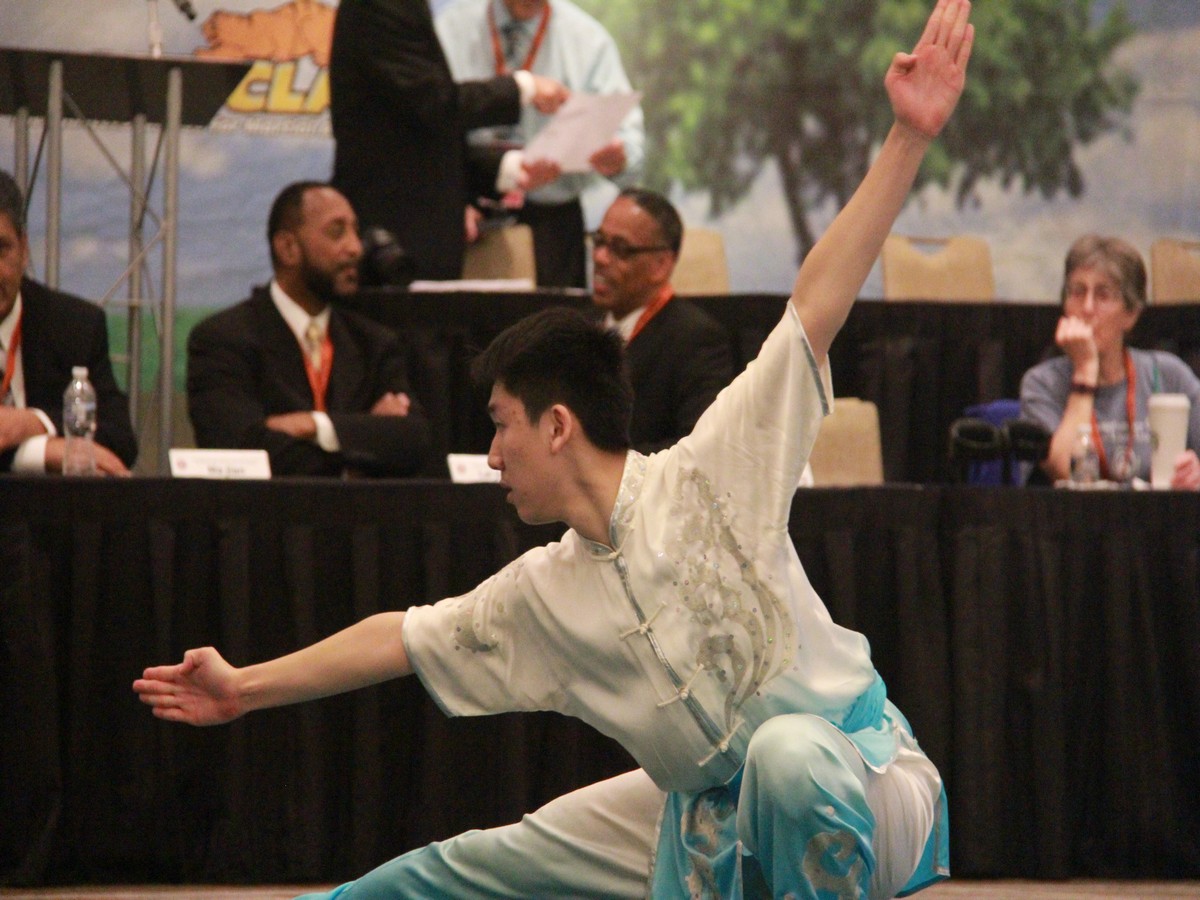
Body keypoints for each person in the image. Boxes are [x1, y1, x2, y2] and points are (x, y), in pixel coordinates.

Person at [135, 2, 973, 895]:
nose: (492, 455)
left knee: (785, 755)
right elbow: (400, 638)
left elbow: (816, 305)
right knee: (465, 869)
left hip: (866, 782)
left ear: (558, 425)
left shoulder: (712, 470)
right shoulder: (545, 589)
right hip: (706, 815)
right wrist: (245, 687)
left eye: (500, 424)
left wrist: (908, 137)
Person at [186, 181, 433, 478]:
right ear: (288, 248)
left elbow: (414, 440)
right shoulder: (224, 339)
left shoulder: (375, 343)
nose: (355, 248)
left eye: (355, 231)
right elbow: (241, 448)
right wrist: (362, 440)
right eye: (337, 232)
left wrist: (314, 425)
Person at [329, 0, 569, 282]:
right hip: (391, 244)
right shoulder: (383, 5)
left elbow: (420, 134)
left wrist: (511, 168)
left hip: (418, 241)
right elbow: (435, 104)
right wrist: (521, 87)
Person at [436, 0, 645, 288]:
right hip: (467, 214)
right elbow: (424, 126)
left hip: (552, 220)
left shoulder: (587, 38)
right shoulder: (451, 29)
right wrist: (449, 198)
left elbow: (631, 144)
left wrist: (618, 158)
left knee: (559, 317)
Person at [1020, 234, 1200, 487]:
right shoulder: (1042, 383)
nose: (1087, 308)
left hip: (1158, 512)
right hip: (1078, 513)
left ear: (1131, 314)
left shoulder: (1169, 375)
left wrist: (1195, 474)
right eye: (1077, 292)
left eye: (1103, 295)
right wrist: (1084, 371)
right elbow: (1065, 471)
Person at [0, 170, 136, 476]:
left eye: (1, 248)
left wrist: (34, 422)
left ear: (24, 250)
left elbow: (120, 440)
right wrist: (41, 451)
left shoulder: (74, 326)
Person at [591, 187, 734, 453]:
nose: (599, 257)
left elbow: (699, 449)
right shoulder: (579, 325)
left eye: (620, 249)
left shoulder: (696, 339)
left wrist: (600, 464)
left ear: (661, 265)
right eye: (599, 241)